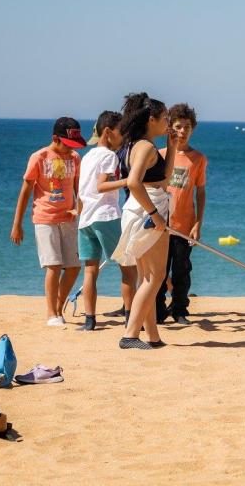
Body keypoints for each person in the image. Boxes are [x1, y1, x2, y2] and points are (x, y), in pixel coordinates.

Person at [111, 92, 176, 350]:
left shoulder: (138, 145)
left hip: (142, 208)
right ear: (152, 119)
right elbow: (133, 182)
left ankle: (153, 335)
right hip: (145, 211)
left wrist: (171, 146)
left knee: (148, 276)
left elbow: (165, 176)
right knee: (155, 276)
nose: (168, 121)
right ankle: (130, 335)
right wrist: (154, 214)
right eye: (165, 117)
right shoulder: (145, 147)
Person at [10, 117, 86, 325]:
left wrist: (80, 208)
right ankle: (51, 313)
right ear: (55, 138)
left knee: (73, 266)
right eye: (67, 144)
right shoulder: (39, 157)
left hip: (69, 219)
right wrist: (17, 224)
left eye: (73, 145)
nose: (69, 149)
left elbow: (79, 188)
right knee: (53, 265)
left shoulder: (75, 158)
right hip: (45, 218)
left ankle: (59, 307)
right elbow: (25, 192)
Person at [75, 111, 137, 331]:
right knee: (128, 267)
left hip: (86, 219)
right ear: (109, 133)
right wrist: (129, 180)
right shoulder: (110, 156)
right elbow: (101, 186)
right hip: (106, 215)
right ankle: (131, 318)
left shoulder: (87, 157)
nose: (124, 137)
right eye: (122, 133)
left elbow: (82, 191)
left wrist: (79, 212)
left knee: (90, 269)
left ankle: (90, 321)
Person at [155, 103, 207, 325]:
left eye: (187, 127)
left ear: (192, 129)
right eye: (178, 126)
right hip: (160, 224)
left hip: (184, 225)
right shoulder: (159, 154)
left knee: (181, 270)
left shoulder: (198, 159)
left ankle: (179, 309)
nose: (182, 131)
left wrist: (198, 223)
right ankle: (156, 309)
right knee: (158, 270)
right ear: (169, 128)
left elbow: (200, 192)